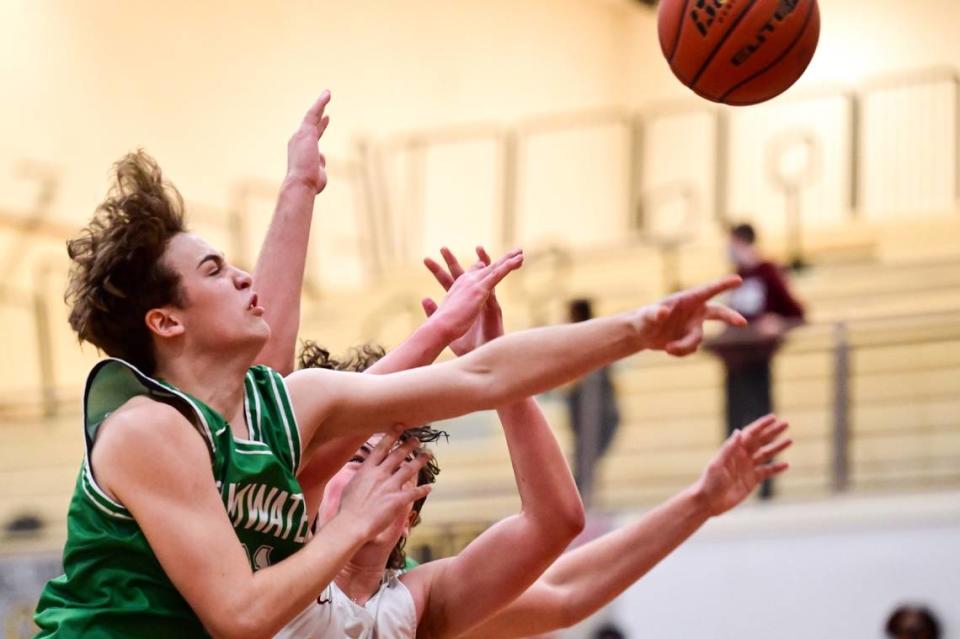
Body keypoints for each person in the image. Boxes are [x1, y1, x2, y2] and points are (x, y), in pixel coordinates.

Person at [34, 93, 748, 636]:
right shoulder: (150, 431)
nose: (246, 277)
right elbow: (238, 614)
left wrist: (639, 327)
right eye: (218, 269)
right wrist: (346, 526)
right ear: (166, 320)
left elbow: (483, 377)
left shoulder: (276, 418)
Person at [706, 222, 804, 499]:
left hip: (757, 361)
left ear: (742, 242)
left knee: (761, 425)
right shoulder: (735, 278)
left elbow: (796, 313)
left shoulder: (767, 273)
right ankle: (731, 486)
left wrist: (777, 323)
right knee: (733, 427)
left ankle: (766, 489)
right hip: (734, 362)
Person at [566, 298, 620, 506]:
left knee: (587, 456)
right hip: (587, 405)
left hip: (598, 407)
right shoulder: (583, 339)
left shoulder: (591, 339)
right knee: (584, 456)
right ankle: (581, 495)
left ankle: (583, 495)